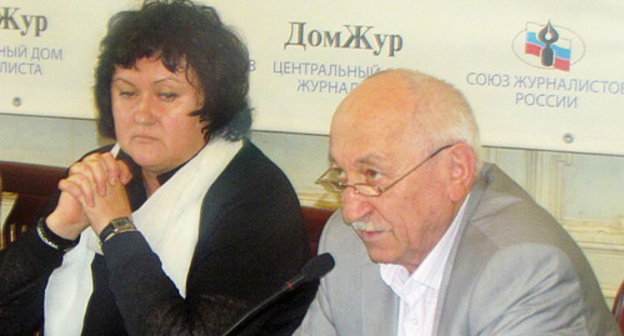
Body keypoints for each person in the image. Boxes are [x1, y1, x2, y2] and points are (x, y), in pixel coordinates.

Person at [0, 1, 315, 335]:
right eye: (127, 92)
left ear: (214, 103)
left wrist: (117, 230)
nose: (142, 114)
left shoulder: (256, 199)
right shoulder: (102, 169)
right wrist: (56, 232)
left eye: (166, 95)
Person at [294, 69, 620, 335]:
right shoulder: (346, 243)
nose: (352, 211)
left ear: (456, 170)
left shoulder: (524, 268)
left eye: (373, 175)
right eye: (341, 175)